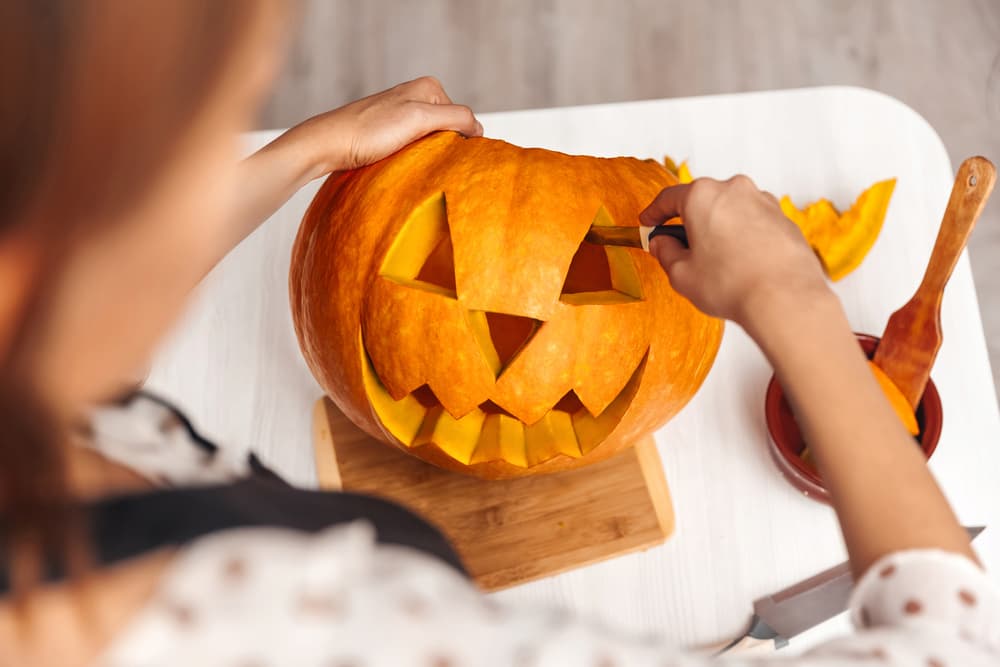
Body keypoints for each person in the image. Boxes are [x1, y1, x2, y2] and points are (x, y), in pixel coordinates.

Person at [0, 2, 996, 666]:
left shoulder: (29, 383)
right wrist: (796, 305)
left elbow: (72, 290)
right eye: (201, 143)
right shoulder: (306, 624)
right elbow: (937, 640)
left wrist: (306, 156)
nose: (516, 335)